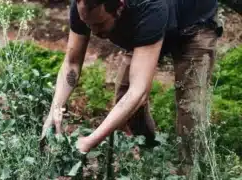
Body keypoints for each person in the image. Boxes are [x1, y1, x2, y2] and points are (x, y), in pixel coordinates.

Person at [40, 0, 223, 176]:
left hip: (193, 25)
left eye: (100, 24)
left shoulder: (149, 5)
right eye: (88, 24)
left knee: (191, 112)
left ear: (119, 7)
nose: (93, 32)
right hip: (144, 25)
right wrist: (54, 110)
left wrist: (89, 142)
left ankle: (190, 172)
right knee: (124, 100)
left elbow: (139, 92)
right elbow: (72, 63)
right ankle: (151, 156)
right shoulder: (84, 6)